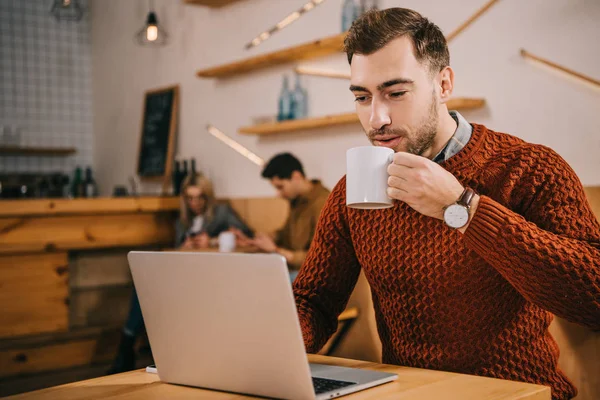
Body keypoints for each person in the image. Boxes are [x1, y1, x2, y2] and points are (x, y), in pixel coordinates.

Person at [292, 8, 600, 400]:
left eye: (396, 93)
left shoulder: (530, 168)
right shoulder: (351, 192)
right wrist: (268, 342)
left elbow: (595, 298)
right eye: (362, 97)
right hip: (410, 395)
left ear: (444, 83)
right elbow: (313, 302)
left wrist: (462, 207)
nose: (376, 118)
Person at [108, 173, 252, 374]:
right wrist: (183, 246)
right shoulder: (182, 222)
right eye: (190, 198)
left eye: (199, 197)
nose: (195, 203)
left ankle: (128, 349)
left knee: (154, 288)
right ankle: (129, 344)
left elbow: (247, 236)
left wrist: (211, 241)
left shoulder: (221, 213)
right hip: (186, 273)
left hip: (209, 274)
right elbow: (175, 253)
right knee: (144, 283)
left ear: (207, 196)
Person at [233, 153, 330, 281]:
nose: (278, 194)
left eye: (280, 187)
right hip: (297, 270)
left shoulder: (324, 202)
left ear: (296, 177)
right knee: (249, 273)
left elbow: (322, 258)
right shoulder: (297, 201)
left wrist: (276, 250)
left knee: (260, 280)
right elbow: (285, 234)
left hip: (317, 276)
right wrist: (256, 239)